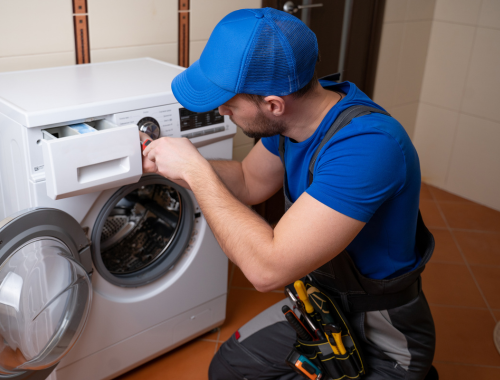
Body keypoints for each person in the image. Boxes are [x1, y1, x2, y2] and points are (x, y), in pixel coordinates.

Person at [141, 7, 436, 380]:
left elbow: (267, 269)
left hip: (381, 330)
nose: (221, 110)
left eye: (229, 103)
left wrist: (197, 173)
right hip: (321, 307)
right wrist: (175, 163)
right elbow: (249, 181)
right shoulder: (292, 123)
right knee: (229, 368)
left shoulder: (368, 146)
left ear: (274, 104)